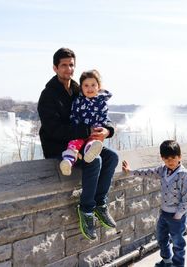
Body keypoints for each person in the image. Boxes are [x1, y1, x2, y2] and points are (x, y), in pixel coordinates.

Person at [38, 48, 119, 240]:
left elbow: (98, 113)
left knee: (112, 157)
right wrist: (85, 132)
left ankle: (100, 203)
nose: (68, 68)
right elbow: (53, 130)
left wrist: (108, 130)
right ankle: (86, 209)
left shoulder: (78, 88)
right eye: (64, 65)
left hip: (82, 141)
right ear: (55, 68)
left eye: (71, 64)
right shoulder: (48, 95)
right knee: (96, 161)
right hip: (58, 146)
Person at [122, 140, 187, 267]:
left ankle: (177, 264)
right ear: (162, 158)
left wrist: (178, 215)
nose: (170, 161)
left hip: (177, 217)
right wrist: (131, 171)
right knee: (161, 238)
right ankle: (167, 260)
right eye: (166, 158)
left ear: (180, 157)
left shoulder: (184, 174)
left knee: (178, 243)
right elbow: (148, 173)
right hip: (164, 213)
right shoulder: (163, 170)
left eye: (173, 158)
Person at [59, 69, 112, 176]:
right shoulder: (78, 101)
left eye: (93, 85)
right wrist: (78, 128)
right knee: (74, 144)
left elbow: (104, 118)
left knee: (93, 142)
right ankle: (68, 162)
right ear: (81, 87)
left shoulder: (102, 103)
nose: (90, 88)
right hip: (81, 130)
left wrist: (102, 128)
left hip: (95, 132)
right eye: (86, 85)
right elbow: (74, 115)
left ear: (98, 86)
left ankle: (90, 152)